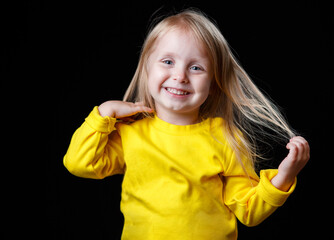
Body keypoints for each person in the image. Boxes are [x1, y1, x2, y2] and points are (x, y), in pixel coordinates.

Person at [64, 9, 310, 240]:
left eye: (195, 67)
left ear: (213, 84)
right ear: (147, 69)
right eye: (168, 62)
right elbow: (79, 164)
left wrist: (285, 176)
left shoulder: (225, 136)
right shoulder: (130, 134)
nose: (180, 76)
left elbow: (249, 212)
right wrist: (102, 114)